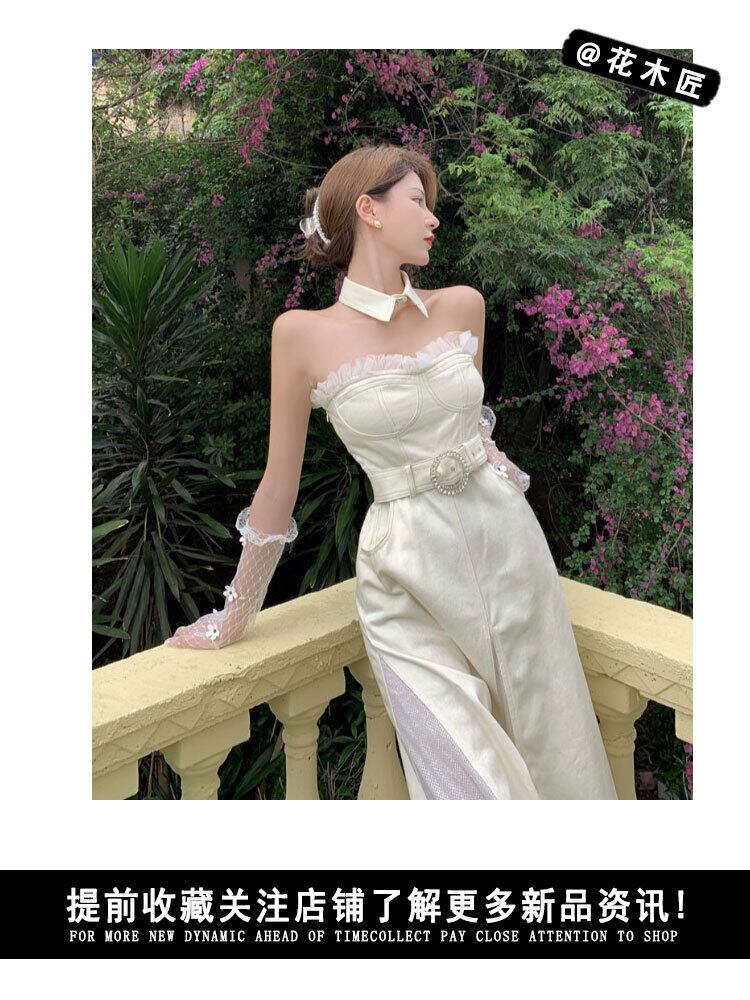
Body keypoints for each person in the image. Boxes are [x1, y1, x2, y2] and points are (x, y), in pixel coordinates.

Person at [165, 143, 618, 800]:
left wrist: (497, 466)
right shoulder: (300, 334)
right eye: (418, 202)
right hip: (404, 574)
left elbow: (471, 424)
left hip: (508, 550)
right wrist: (235, 615)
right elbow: (279, 484)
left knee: (555, 749)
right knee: (471, 786)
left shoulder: (463, 306)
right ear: (369, 210)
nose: (433, 218)